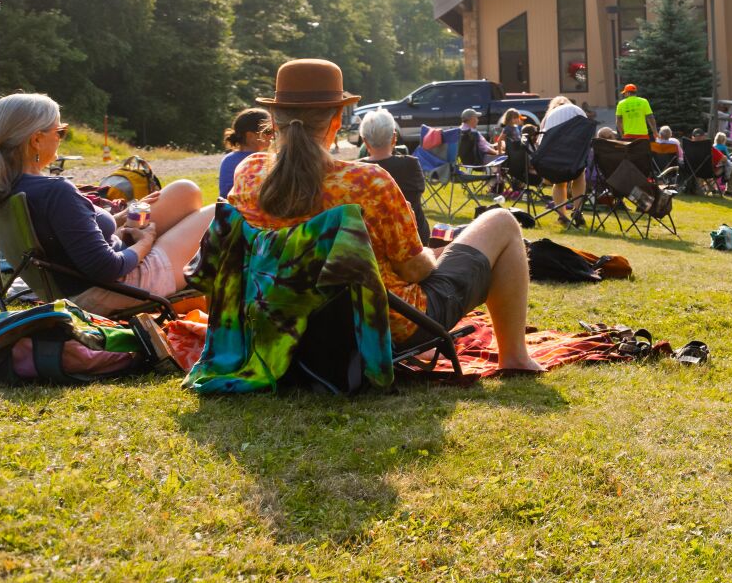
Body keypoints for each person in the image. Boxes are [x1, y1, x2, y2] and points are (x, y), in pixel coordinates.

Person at [228, 60, 544, 372]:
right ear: (337, 119)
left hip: (285, 326)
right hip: (382, 327)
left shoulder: (249, 173)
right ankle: (515, 357)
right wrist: (435, 254)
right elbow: (415, 271)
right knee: (501, 220)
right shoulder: (367, 183)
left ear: (273, 118)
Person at [0, 92, 214, 317]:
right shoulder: (55, 191)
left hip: (75, 282)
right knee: (219, 214)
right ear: (36, 140)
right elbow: (106, 268)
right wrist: (146, 243)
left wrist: (121, 216)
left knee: (185, 191)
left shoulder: (6, 188)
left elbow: (65, 232)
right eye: (60, 132)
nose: (61, 137)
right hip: (112, 289)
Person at [358, 109, 432, 244]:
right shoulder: (411, 165)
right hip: (414, 239)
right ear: (394, 138)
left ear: (365, 141)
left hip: (372, 242)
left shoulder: (356, 170)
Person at [539, 95, 586, 225]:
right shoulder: (577, 112)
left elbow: (540, 142)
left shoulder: (547, 118)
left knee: (559, 182)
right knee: (579, 176)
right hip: (574, 157)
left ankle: (562, 215)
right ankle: (578, 211)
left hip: (554, 159)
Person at [218, 109, 273, 199]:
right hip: (249, 210)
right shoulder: (260, 160)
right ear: (250, 136)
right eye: (268, 131)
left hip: (228, 210)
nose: (273, 135)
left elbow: (224, 194)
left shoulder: (228, 159)